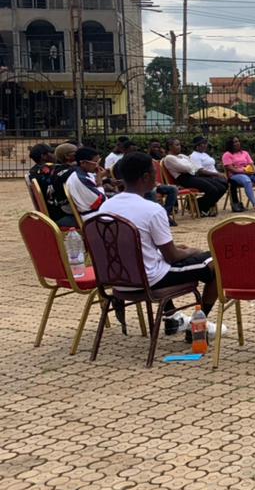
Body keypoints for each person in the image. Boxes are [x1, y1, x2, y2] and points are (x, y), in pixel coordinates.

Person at [96, 152, 222, 339]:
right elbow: (172, 256)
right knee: (216, 263)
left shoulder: (106, 207)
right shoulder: (152, 210)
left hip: (117, 280)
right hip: (148, 280)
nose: (157, 177)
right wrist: (192, 251)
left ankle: (172, 319)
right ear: (146, 176)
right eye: (154, 173)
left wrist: (175, 249)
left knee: (161, 257)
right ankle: (197, 326)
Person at [164, 138, 228, 216]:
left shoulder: (181, 156)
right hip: (184, 179)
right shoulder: (168, 158)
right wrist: (191, 167)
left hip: (193, 176)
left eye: (179, 144)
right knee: (213, 190)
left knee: (221, 188)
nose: (179, 146)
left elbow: (192, 167)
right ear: (170, 147)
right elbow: (186, 168)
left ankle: (196, 204)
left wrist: (191, 167)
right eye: (177, 145)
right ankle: (201, 208)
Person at [222, 136, 255, 212]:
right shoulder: (227, 155)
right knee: (247, 180)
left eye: (238, 141)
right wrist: (243, 171)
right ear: (230, 144)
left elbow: (251, 164)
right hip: (235, 175)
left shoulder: (244, 153)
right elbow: (230, 168)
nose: (237, 143)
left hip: (249, 173)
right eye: (235, 142)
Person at [65, 147, 108, 216]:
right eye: (95, 162)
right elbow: (99, 201)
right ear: (83, 163)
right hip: (94, 215)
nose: (97, 166)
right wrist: (99, 184)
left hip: (98, 211)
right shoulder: (80, 178)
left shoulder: (84, 173)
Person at [49, 143, 78, 227]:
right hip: (67, 214)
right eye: (76, 153)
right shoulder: (71, 172)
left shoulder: (57, 169)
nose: (79, 154)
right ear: (67, 156)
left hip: (60, 211)